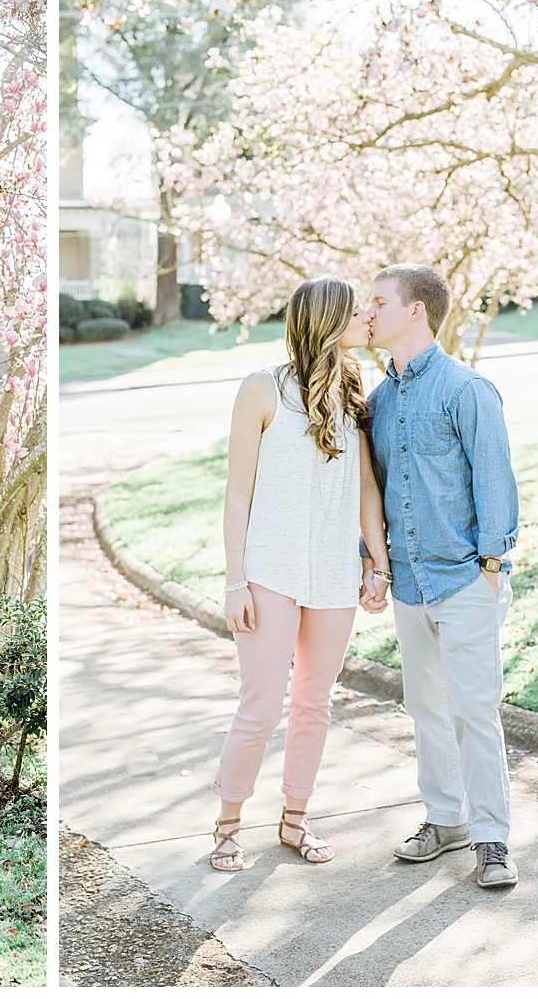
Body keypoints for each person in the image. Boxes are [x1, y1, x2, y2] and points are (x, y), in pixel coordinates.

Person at [208, 277, 391, 871]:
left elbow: (365, 485)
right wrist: (235, 581)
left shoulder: (355, 388)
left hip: (334, 572)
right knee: (261, 703)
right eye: (357, 310)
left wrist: (377, 564)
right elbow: (238, 491)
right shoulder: (261, 389)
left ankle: (295, 821)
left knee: (314, 701)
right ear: (326, 321)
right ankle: (228, 824)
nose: (367, 317)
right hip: (269, 570)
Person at [360, 263, 521, 889]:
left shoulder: (466, 390)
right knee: (426, 707)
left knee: (474, 711)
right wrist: (372, 564)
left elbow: (495, 484)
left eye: (378, 301)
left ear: (415, 310)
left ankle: (492, 838)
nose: (368, 312)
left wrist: (489, 567)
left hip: (464, 581)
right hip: (409, 584)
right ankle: (446, 819)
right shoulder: (378, 400)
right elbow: (371, 493)